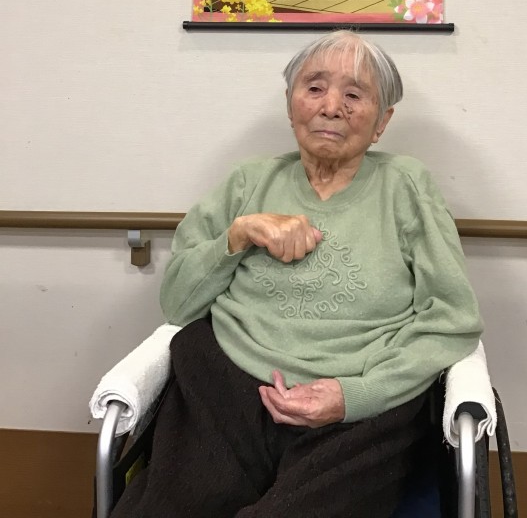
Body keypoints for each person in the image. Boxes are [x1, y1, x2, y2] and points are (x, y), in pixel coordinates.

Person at [112, 30, 482, 518]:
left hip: (356, 405)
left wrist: (355, 395)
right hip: (228, 390)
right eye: (314, 88)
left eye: (354, 95)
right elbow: (178, 304)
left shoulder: (406, 186)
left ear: (382, 122)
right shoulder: (248, 182)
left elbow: (452, 317)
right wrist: (237, 236)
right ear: (291, 105)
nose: (331, 107)